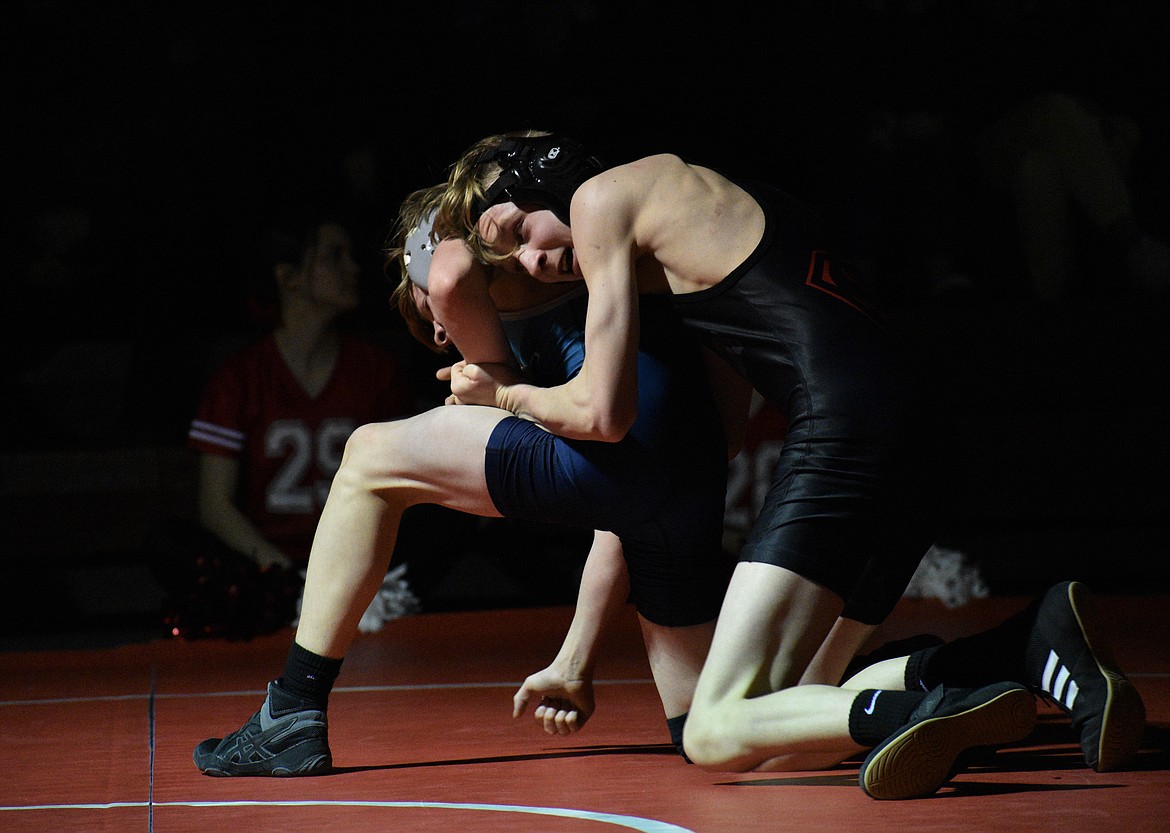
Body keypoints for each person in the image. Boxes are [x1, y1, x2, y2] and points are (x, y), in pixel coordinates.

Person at [437, 131, 1146, 797]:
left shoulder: (601, 198)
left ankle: (925, 708)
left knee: (715, 733)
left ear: (551, 175)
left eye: (518, 234)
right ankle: (1024, 645)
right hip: (924, 425)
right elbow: (720, 439)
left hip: (849, 425)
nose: (534, 264)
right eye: (513, 265)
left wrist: (501, 395)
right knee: (794, 728)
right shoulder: (701, 213)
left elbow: (603, 414)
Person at [191, 182, 735, 774]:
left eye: (432, 321)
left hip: (632, 452)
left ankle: (291, 710)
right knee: (707, 732)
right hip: (688, 473)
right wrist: (575, 658)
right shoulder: (606, 265)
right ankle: (853, 712)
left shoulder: (467, 249)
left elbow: (449, 277)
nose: (446, 335)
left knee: (369, 455)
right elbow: (630, 497)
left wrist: (499, 388)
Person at [173, 211, 417, 638]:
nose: (353, 267)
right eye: (333, 256)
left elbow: (406, 484)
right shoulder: (239, 377)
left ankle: (374, 594)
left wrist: (358, 568)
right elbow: (214, 504)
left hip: (360, 556)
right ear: (288, 277)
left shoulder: (377, 369)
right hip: (269, 563)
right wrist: (289, 575)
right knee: (171, 544)